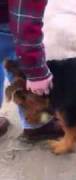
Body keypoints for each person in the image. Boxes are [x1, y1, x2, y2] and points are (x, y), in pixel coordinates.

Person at [0, 0, 63, 141]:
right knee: (19, 65)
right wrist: (36, 73)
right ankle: (38, 126)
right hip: (5, 21)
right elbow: (25, 23)